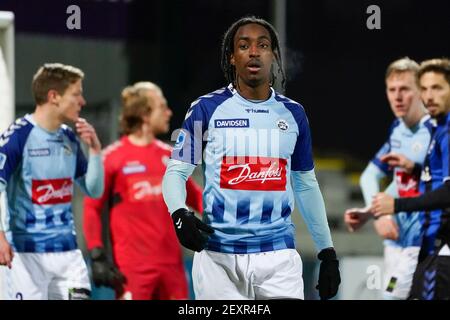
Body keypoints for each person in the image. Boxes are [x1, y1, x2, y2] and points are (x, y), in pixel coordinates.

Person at [162, 16, 340, 300]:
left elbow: (306, 184)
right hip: (218, 258)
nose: (254, 51)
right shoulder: (206, 109)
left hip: (278, 257)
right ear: (232, 58)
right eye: (244, 45)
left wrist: (327, 251)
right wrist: (179, 213)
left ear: (274, 55)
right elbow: (176, 172)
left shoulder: (294, 114)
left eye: (263, 45)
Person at [83, 82, 203, 300]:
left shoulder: (172, 157)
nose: (169, 112)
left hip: (172, 270)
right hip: (132, 271)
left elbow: (198, 199)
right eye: (162, 107)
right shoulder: (112, 158)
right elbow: (91, 208)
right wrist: (96, 253)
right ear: (145, 114)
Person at [0, 63, 104, 300]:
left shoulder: (68, 137)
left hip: (68, 254)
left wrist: (96, 151)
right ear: (54, 96)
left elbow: (93, 190)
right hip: (26, 255)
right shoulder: (18, 136)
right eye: (76, 94)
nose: (83, 101)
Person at [344, 58, 433, 299]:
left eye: (405, 89)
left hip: (424, 235)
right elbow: (373, 176)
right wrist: (373, 212)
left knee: (392, 295)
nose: (398, 97)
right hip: (396, 237)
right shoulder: (397, 129)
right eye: (392, 90)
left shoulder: (435, 130)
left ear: (420, 92)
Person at [372, 58, 450, 300]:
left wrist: (396, 205)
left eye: (437, 88)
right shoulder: (436, 130)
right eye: (424, 88)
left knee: (392, 295)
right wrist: (415, 169)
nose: (429, 96)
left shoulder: (446, 132)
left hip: (438, 247)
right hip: (426, 246)